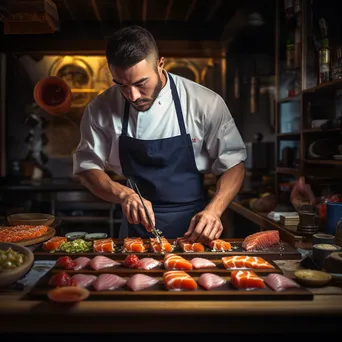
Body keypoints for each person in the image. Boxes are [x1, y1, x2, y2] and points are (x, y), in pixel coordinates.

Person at [73, 25, 247, 243]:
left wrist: (214, 210)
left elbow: (234, 163)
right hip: (135, 230)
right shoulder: (101, 108)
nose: (133, 96)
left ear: (160, 64)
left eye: (140, 83)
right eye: (121, 85)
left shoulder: (204, 102)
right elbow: (87, 167)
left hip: (193, 229)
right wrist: (124, 194)